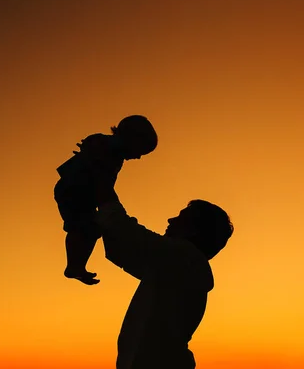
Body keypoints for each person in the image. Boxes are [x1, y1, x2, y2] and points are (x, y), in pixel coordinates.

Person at [92, 169, 234, 368]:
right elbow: (123, 248)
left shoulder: (186, 258)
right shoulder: (177, 266)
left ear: (193, 230)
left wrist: (102, 187)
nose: (170, 220)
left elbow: (128, 234)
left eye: (180, 218)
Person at [54, 115, 158, 285]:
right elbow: (94, 146)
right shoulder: (106, 146)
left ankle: (76, 265)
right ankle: (74, 265)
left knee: (92, 228)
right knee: (81, 226)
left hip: (84, 194)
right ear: (130, 138)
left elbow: (104, 184)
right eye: (140, 151)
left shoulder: (114, 154)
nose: (138, 157)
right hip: (72, 190)